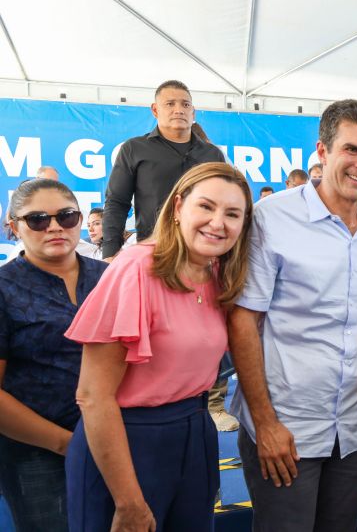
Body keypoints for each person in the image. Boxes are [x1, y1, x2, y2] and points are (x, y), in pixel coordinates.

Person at [228, 99, 357, 532]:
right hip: (287, 424)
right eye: (352, 150)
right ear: (322, 151)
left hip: (354, 427)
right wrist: (264, 423)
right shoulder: (272, 217)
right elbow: (243, 320)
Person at [64, 162, 253, 531]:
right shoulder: (135, 269)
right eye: (206, 206)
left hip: (195, 434)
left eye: (233, 214)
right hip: (128, 444)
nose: (218, 223)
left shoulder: (218, 275)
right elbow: (93, 396)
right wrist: (128, 500)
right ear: (179, 206)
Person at [0, 179, 107, 531]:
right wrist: (67, 444)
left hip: (118, 441)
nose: (55, 227)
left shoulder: (110, 278)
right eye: (38, 220)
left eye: (67, 216)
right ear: (14, 227)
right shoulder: (4, 288)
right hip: (36, 454)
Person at [102, 79, 225, 258]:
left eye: (185, 104)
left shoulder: (213, 154)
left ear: (193, 112)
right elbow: (116, 203)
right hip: (154, 252)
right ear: (155, 110)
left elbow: (222, 204)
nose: (179, 110)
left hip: (203, 254)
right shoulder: (134, 149)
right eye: (170, 104)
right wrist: (110, 253)